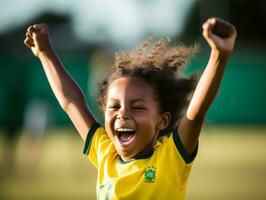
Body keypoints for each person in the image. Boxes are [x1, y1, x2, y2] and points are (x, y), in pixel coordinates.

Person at [24, 17, 237, 199]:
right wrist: (45, 53)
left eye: (137, 107)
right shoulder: (105, 152)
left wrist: (220, 54)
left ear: (162, 120)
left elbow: (197, 110)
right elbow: (71, 102)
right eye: (114, 106)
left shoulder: (171, 158)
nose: (122, 114)